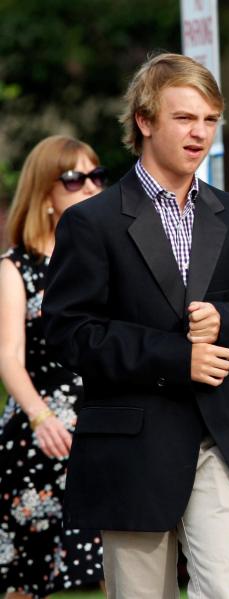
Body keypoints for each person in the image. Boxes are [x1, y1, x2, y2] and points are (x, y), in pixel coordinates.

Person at [41, 53, 229, 599]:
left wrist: (226, 322)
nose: (199, 133)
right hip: (133, 443)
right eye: (184, 118)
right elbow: (67, 331)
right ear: (145, 121)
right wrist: (176, 358)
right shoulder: (92, 222)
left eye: (209, 120)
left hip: (220, 437)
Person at [0, 135, 106, 598]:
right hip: (42, 430)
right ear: (45, 194)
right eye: (73, 178)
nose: (88, 187)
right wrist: (41, 418)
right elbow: (8, 355)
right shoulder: (15, 268)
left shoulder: (105, 259)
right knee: (28, 573)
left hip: (105, 424)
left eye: (96, 176)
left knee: (119, 559)